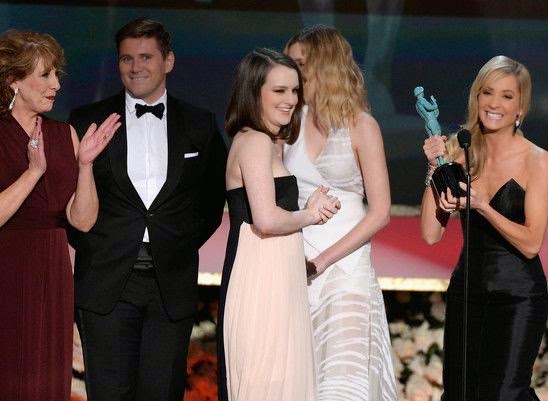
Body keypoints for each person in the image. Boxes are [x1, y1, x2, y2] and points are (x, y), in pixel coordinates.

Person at [68, 18, 226, 401]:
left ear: (168, 61)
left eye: (146, 57)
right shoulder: (87, 121)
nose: (135, 67)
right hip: (106, 284)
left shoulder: (199, 124)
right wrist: (100, 248)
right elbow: (68, 200)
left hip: (169, 285)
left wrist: (176, 244)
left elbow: (211, 201)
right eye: (126, 58)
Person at [420, 55, 548, 400]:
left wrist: (482, 207)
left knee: (505, 394)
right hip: (468, 292)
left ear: (520, 106)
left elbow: (531, 243)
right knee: (461, 392)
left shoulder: (537, 160)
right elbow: (431, 234)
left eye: (507, 96)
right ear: (476, 97)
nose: (494, 104)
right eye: (487, 92)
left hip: (518, 295)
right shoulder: (458, 149)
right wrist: (434, 169)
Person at [0, 30, 120, 401]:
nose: (56, 84)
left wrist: (85, 165)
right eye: (45, 75)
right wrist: (34, 172)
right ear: (14, 80)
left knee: (46, 377)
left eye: (57, 74)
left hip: (52, 271)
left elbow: (82, 221)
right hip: (7, 267)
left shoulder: (63, 133)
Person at [217, 48, 340, 401]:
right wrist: (311, 214)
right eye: (279, 90)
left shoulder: (267, 141)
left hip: (277, 274)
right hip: (260, 277)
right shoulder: (255, 141)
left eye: (295, 90)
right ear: (254, 91)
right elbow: (267, 218)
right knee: (267, 382)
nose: (291, 100)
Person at [284, 25, 398, 400]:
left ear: (325, 64)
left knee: (343, 386)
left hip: (346, 270)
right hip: (294, 267)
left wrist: (323, 261)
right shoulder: (287, 124)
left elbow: (380, 212)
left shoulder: (361, 126)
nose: (292, 71)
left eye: (300, 63)